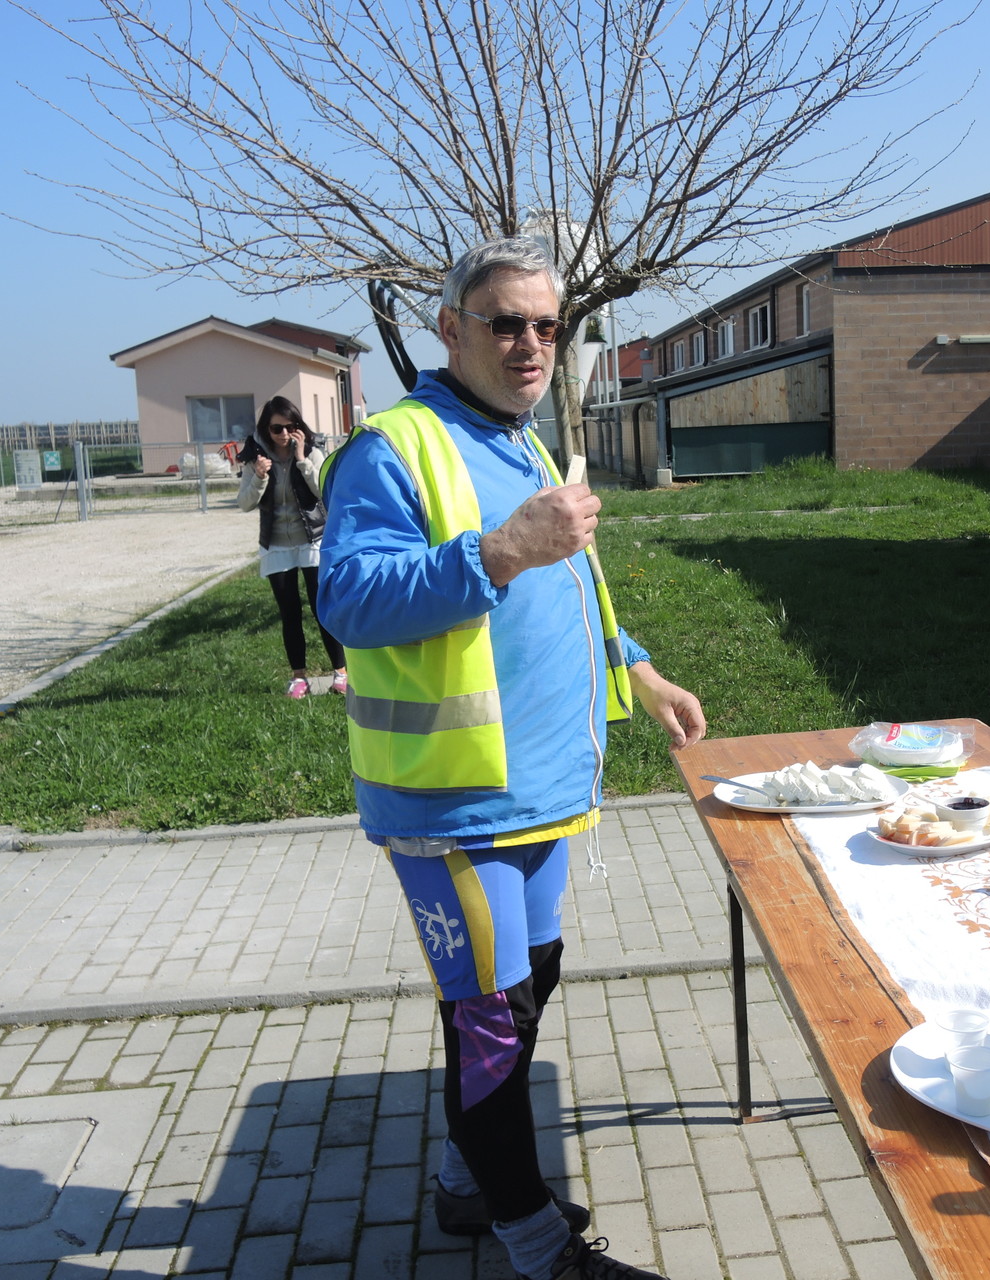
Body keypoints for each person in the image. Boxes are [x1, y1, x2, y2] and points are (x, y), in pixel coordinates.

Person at [318, 238, 704, 1280]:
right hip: (451, 805)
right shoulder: (392, 448)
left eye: (546, 323)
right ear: (449, 328)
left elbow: (568, 597)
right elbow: (347, 600)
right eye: (503, 321)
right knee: (490, 1022)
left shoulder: (521, 440)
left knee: (528, 984)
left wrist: (639, 672)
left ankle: (462, 1184)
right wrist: (496, 550)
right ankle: (536, 1246)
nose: (529, 341)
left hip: (540, 794)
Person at [236, 396, 348, 698]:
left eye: (290, 427)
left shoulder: (312, 451)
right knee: (290, 613)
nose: (284, 434)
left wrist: (301, 459)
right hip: (276, 545)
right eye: (277, 428)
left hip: (312, 540)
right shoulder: (254, 458)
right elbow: (244, 503)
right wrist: (259, 477)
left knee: (322, 608)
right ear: (266, 429)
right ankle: (299, 677)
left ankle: (341, 672)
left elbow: (326, 490)